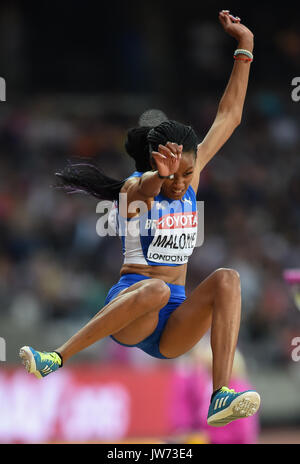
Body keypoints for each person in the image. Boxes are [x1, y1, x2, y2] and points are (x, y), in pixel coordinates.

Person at [19, 10, 260, 427]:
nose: (183, 183)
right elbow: (148, 188)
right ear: (155, 165)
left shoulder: (190, 177)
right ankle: (55, 357)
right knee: (157, 291)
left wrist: (245, 49)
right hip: (133, 309)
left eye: (189, 173)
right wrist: (158, 176)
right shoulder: (135, 189)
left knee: (227, 279)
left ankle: (220, 394)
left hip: (174, 327)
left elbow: (229, 116)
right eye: (175, 174)